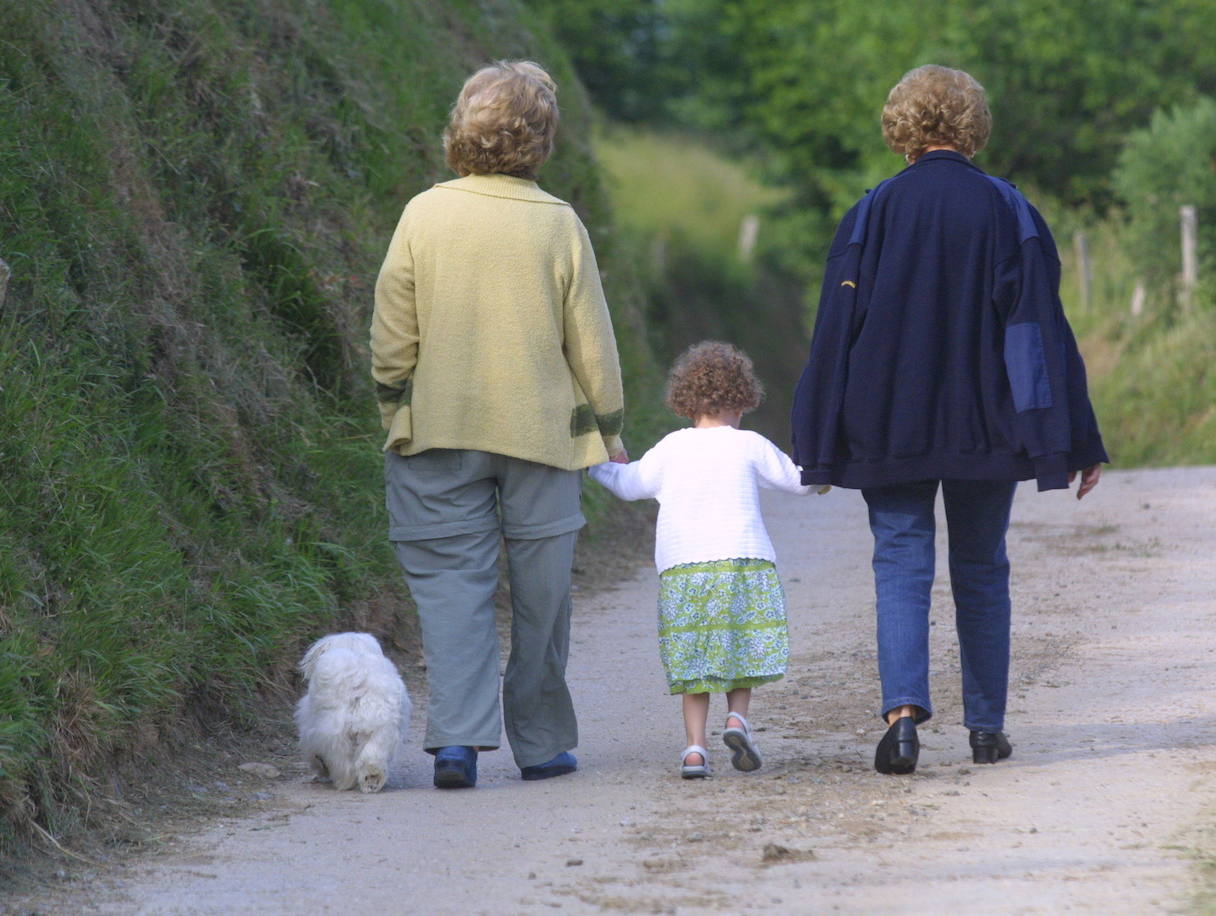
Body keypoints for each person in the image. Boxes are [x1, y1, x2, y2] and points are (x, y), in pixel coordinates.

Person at [791, 65, 1108, 775]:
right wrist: (1073, 435)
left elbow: (835, 333)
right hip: (986, 426)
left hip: (888, 423)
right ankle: (986, 728)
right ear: (972, 126)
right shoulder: (1008, 209)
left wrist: (818, 437)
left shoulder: (871, 212)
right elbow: (1039, 332)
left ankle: (902, 720)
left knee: (900, 561)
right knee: (981, 567)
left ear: (902, 129)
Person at [370, 60, 627, 789]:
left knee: (453, 586)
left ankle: (456, 741)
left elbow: (392, 334)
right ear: (542, 139)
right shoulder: (560, 224)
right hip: (542, 438)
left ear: (462, 130)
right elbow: (593, 344)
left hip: (437, 432)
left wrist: (398, 407)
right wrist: (608, 426)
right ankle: (542, 745)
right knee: (543, 596)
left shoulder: (424, 213)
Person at [589, 342, 820, 778]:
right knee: (742, 648)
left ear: (686, 400)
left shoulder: (671, 448)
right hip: (744, 562)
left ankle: (694, 750)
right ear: (743, 398)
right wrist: (829, 467)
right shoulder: (749, 444)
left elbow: (629, 484)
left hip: (684, 570)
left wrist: (597, 465)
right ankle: (737, 721)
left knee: (693, 661)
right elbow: (800, 481)